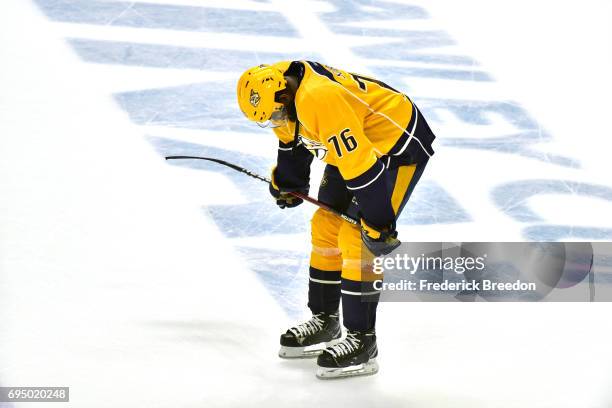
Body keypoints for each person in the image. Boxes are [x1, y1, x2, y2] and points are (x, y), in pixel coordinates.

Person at [236, 61, 436, 379]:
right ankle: (325, 320)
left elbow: (361, 167)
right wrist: (290, 184)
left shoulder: (320, 99)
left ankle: (362, 341)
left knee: (357, 237)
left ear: (284, 95)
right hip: (355, 140)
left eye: (275, 115)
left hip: (394, 145)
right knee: (325, 227)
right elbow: (293, 142)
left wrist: (380, 223)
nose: (275, 121)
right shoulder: (277, 91)